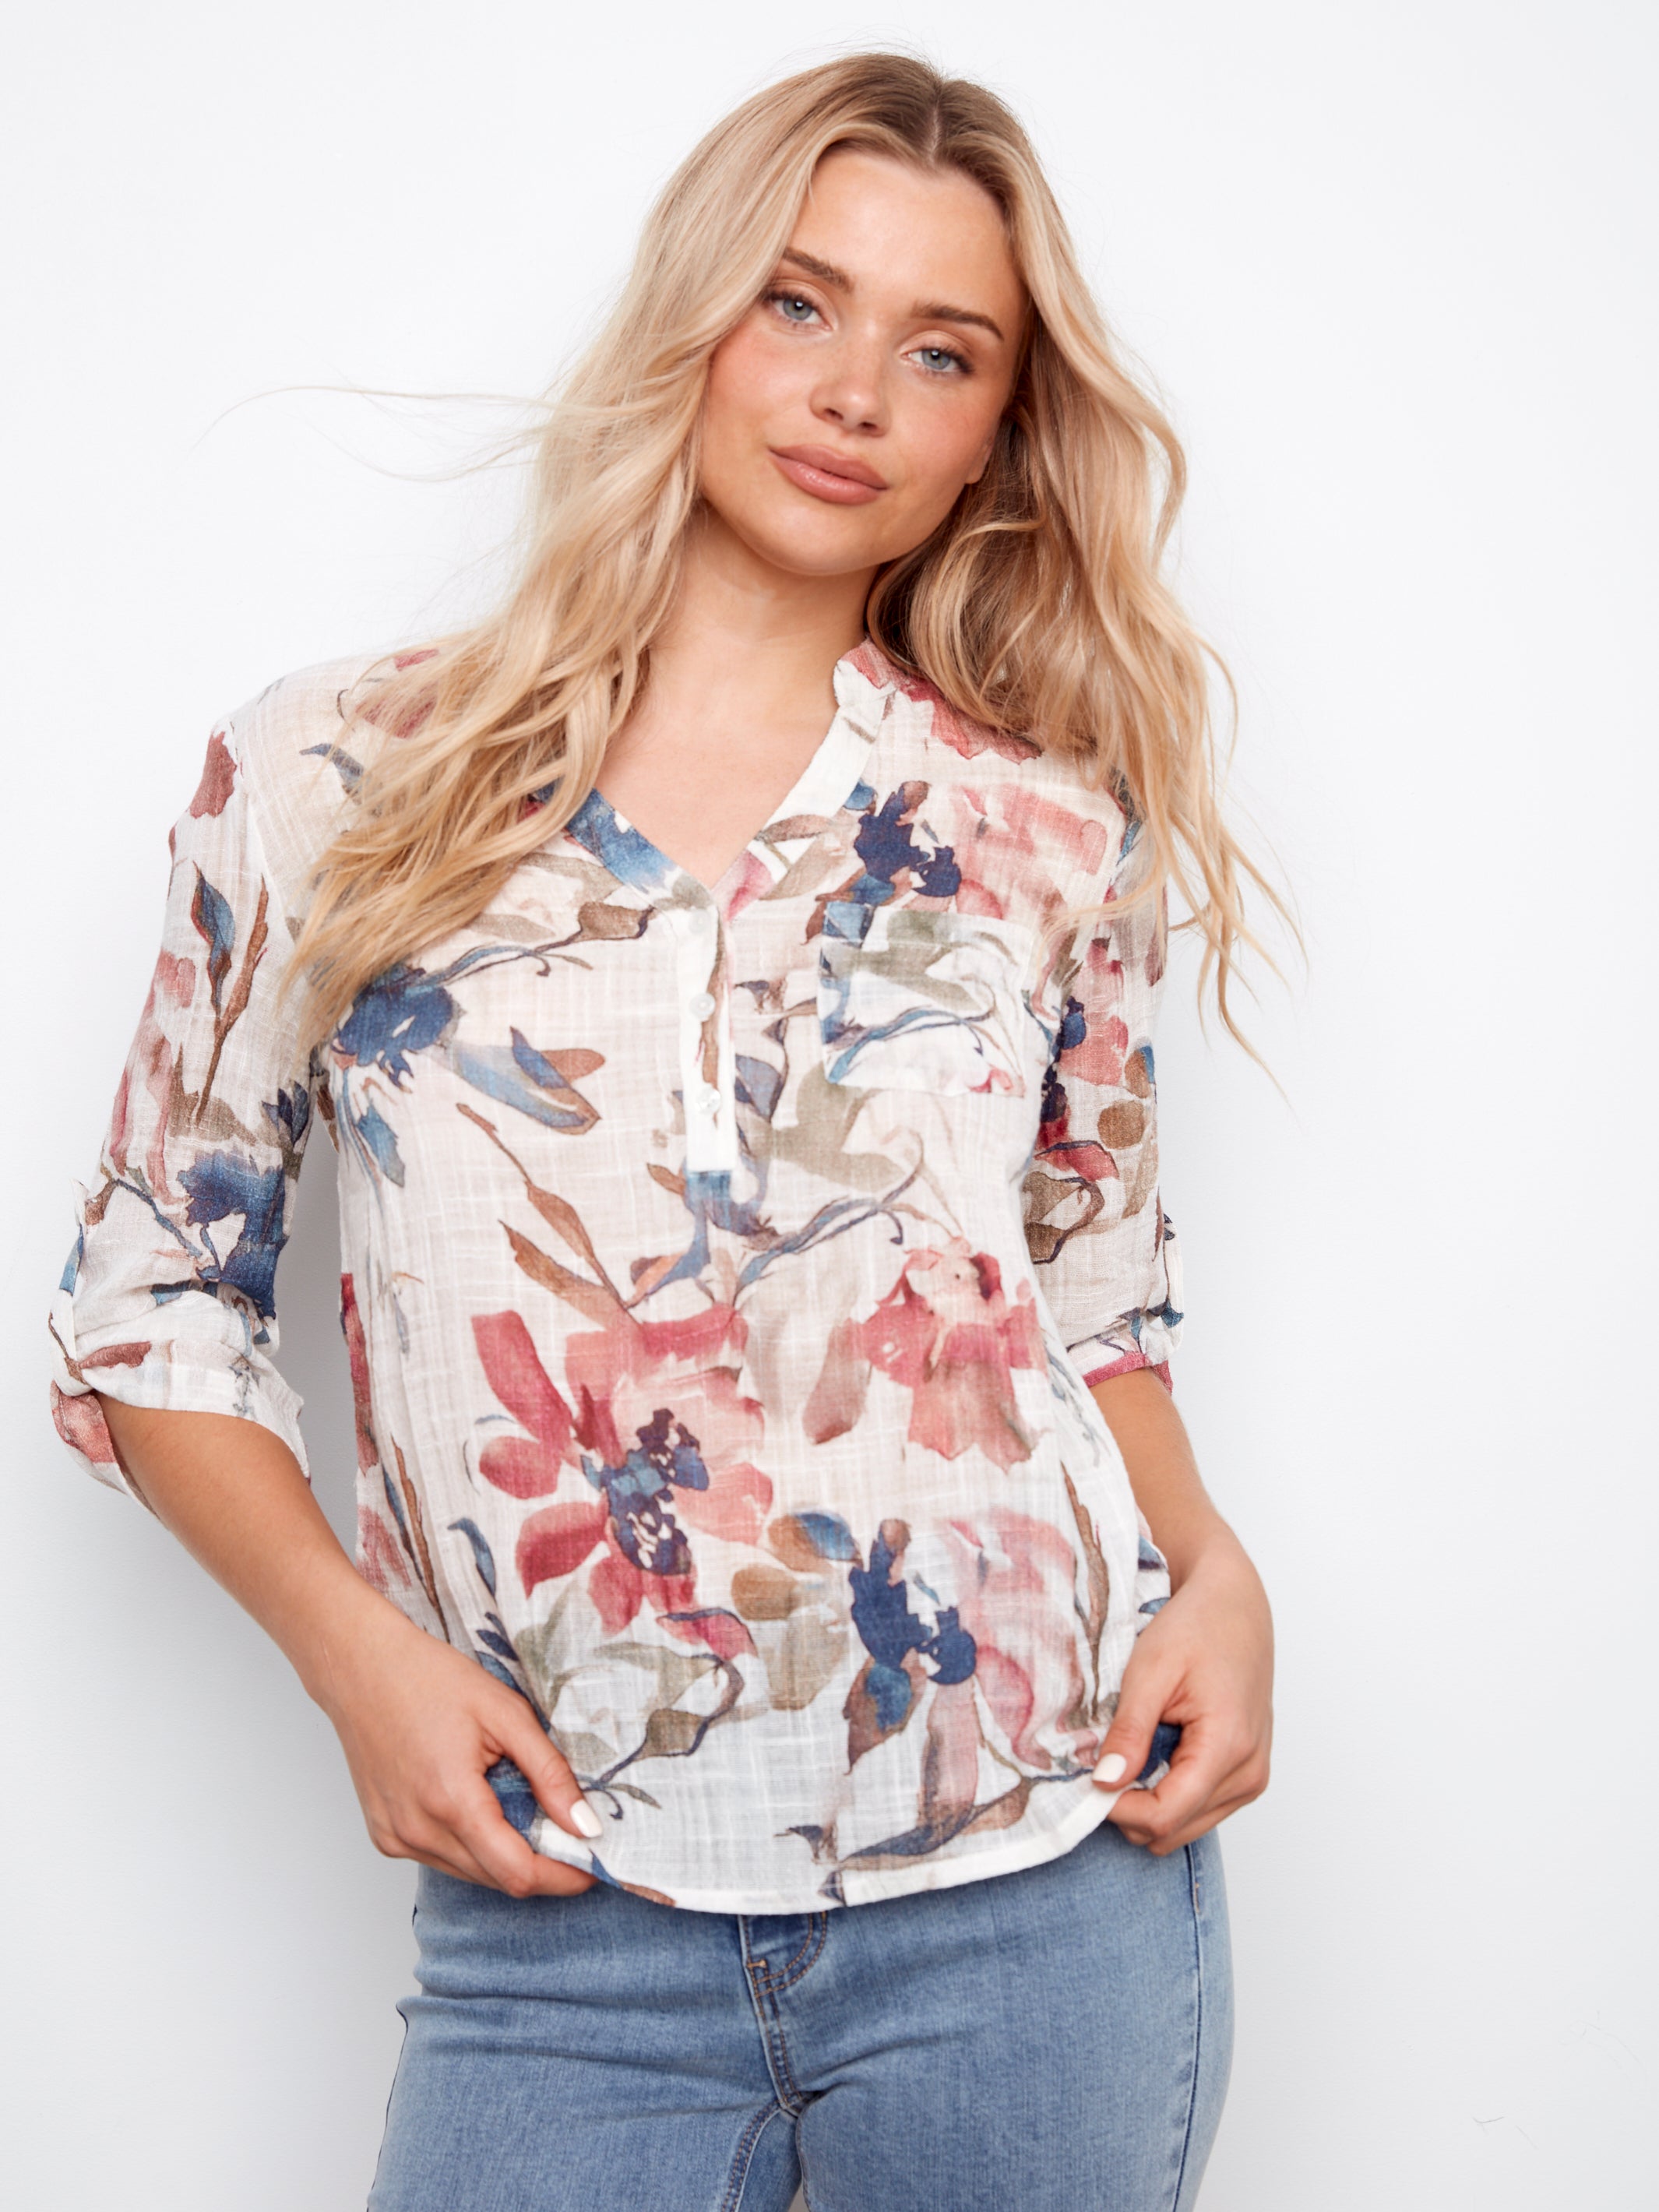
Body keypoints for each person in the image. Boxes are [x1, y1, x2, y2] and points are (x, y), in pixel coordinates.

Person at [48, 52, 1277, 2212]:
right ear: (693, 315)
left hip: (1040, 1881)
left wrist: (1219, 1571)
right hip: (557, 1914)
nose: (853, 392)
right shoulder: (338, 773)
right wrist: (357, 1664)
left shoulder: (1041, 824)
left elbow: (1090, 1292)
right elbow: (151, 1298)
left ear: (997, 430)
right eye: (798, 302)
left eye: (942, 351)